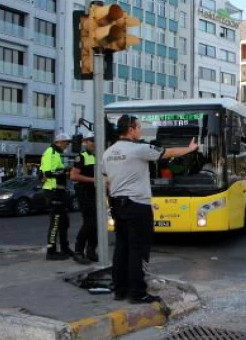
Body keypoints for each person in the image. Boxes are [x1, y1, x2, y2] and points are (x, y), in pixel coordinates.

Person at [102, 115, 198, 303]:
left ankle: (120, 291)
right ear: (131, 129)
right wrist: (190, 148)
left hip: (117, 204)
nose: (140, 131)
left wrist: (112, 203)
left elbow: (107, 182)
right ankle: (137, 293)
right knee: (138, 249)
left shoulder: (108, 152)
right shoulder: (139, 149)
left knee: (121, 248)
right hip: (137, 205)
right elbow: (168, 153)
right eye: (139, 127)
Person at [41, 133, 73, 261]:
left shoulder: (57, 153)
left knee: (64, 222)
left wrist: (64, 170)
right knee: (55, 222)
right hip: (52, 191)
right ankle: (51, 251)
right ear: (58, 142)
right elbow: (47, 173)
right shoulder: (50, 152)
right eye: (66, 142)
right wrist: (64, 171)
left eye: (68, 143)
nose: (67, 145)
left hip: (59, 192)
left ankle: (65, 247)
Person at [70, 131, 98, 265]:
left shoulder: (100, 156)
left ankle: (91, 251)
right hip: (86, 193)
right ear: (86, 142)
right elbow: (73, 176)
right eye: (91, 140)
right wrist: (92, 180)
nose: (94, 142)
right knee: (89, 223)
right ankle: (78, 251)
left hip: (97, 194)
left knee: (97, 224)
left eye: (96, 140)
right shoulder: (81, 157)